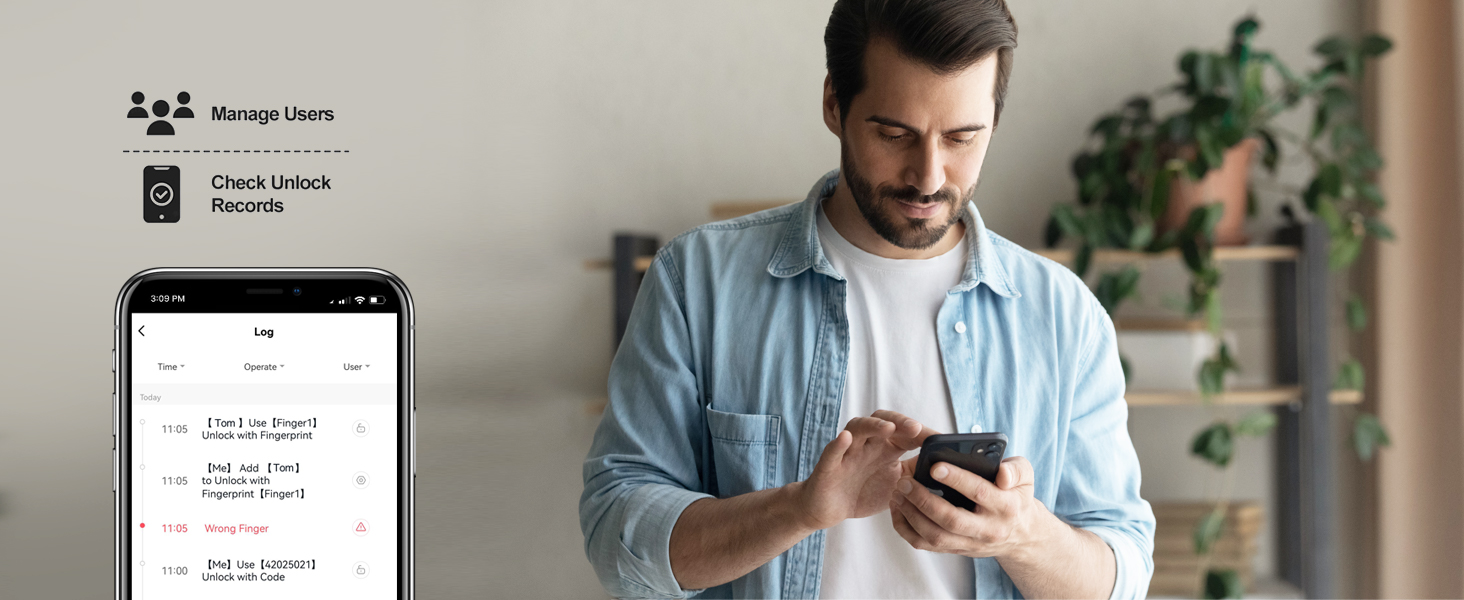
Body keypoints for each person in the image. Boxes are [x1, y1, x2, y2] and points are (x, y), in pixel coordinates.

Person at [580, 1, 1154, 597]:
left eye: (962, 137)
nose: (929, 176)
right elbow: (616, 537)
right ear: (834, 103)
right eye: (894, 133)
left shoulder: (1066, 316)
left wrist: (1022, 536)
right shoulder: (696, 282)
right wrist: (797, 510)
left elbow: (1121, 575)